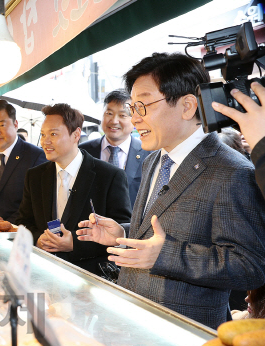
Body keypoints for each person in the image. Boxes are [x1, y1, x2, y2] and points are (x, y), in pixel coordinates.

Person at [76, 52, 265, 329]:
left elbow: (250, 266)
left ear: (187, 106)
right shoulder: (154, 159)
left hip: (186, 333)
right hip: (133, 321)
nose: (135, 119)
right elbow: (159, 230)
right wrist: (124, 233)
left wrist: (166, 256)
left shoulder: (232, 171)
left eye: (143, 106)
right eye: (133, 107)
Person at [15, 103, 131, 276]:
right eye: (43, 134)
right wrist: (38, 238)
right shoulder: (35, 176)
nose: (45, 141)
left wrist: (74, 244)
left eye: (53, 134)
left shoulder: (109, 176)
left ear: (76, 134)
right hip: (44, 273)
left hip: (89, 278)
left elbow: (121, 232)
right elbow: (23, 222)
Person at [0, 100, 47, 223]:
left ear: (15, 124)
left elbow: (38, 205)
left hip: (22, 233)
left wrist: (5, 226)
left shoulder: (36, 156)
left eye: (2, 125)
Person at [79, 89, 151, 207]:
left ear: (134, 118)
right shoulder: (82, 152)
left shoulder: (149, 154)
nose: (114, 121)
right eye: (109, 113)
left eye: (122, 115)